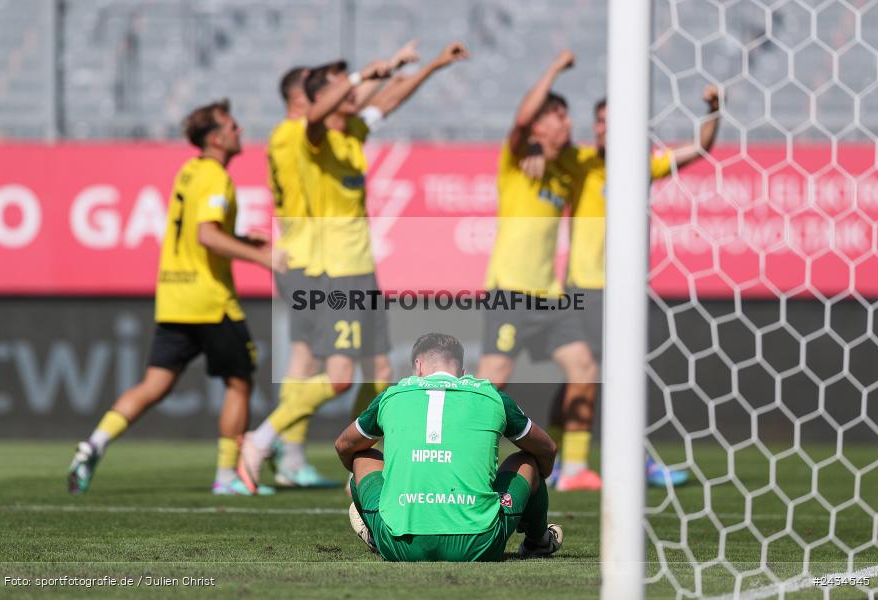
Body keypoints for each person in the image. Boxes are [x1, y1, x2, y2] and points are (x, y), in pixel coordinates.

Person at [238, 43, 469, 493]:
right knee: (337, 376)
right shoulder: (306, 136)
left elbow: (390, 100)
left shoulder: (350, 133)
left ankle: (363, 461)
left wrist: (432, 65)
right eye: (340, 90)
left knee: (380, 372)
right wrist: (364, 74)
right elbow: (330, 110)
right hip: (330, 268)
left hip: (360, 267)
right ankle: (262, 439)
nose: (353, 96)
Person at [67, 99, 285, 496]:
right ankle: (226, 478)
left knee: (153, 385)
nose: (239, 130)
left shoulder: (189, 171)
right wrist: (261, 257)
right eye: (232, 125)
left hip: (173, 296)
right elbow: (206, 234)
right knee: (240, 383)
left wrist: (240, 239)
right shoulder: (216, 177)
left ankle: (93, 444)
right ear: (217, 138)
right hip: (209, 300)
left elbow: (202, 233)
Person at [540, 85, 723, 488]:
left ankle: (607, 461)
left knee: (614, 377)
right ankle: (562, 463)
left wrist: (714, 110)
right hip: (584, 289)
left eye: (611, 121)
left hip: (625, 291)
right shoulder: (580, 161)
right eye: (599, 122)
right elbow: (541, 151)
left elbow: (700, 147)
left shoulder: (642, 164)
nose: (602, 128)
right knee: (583, 376)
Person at [267, 43, 421, 488]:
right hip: (311, 259)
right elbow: (338, 113)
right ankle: (284, 446)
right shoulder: (292, 133)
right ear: (304, 97)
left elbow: (369, 107)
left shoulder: (327, 131)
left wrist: (390, 69)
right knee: (316, 361)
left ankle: (292, 452)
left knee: (316, 357)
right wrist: (361, 78)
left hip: (318, 258)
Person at [476, 49, 601, 492]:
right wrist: (553, 67)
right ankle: (474, 463)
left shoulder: (567, 167)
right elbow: (520, 119)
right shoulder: (515, 160)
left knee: (584, 365)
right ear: (538, 126)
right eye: (557, 116)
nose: (567, 123)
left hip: (550, 294)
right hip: (510, 288)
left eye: (568, 116)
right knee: (493, 381)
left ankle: (576, 468)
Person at [335, 333, 562, 562]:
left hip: (399, 545)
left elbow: (344, 445)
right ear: (462, 373)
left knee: (362, 456)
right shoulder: (492, 397)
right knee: (527, 460)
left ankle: (377, 531)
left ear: (418, 366)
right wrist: (530, 496)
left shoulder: (392, 396)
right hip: (479, 544)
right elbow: (547, 449)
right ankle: (538, 542)